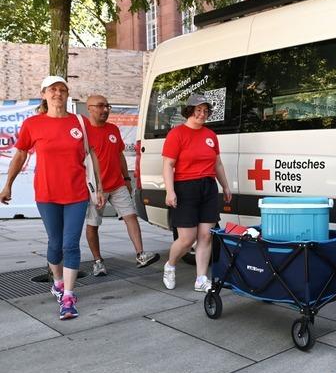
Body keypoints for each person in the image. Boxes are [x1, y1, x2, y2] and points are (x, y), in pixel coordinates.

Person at [0, 76, 105, 320]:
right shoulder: (33, 124)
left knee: (70, 244)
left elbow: (92, 156)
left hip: (77, 193)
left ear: (68, 95)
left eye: (62, 89)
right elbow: (20, 156)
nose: (58, 93)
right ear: (44, 94)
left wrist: (98, 188)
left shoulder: (80, 122)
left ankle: (68, 296)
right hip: (47, 194)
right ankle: (57, 282)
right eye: (53, 90)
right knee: (55, 243)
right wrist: (8, 185)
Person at [161, 93, 232, 292]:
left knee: (206, 236)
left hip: (208, 187)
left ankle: (201, 278)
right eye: (198, 110)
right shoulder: (177, 134)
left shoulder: (210, 135)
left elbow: (217, 163)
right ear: (190, 111)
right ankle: (170, 264)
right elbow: (168, 164)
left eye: (206, 111)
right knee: (187, 239)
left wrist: (225, 186)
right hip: (185, 187)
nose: (202, 114)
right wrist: (170, 191)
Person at [84, 94, 159, 276]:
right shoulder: (84, 132)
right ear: (90, 108)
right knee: (93, 224)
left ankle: (141, 254)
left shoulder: (113, 129)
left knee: (131, 216)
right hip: (95, 188)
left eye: (107, 106)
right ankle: (98, 262)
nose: (105, 110)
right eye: (101, 106)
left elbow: (119, 155)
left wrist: (126, 178)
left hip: (117, 184)